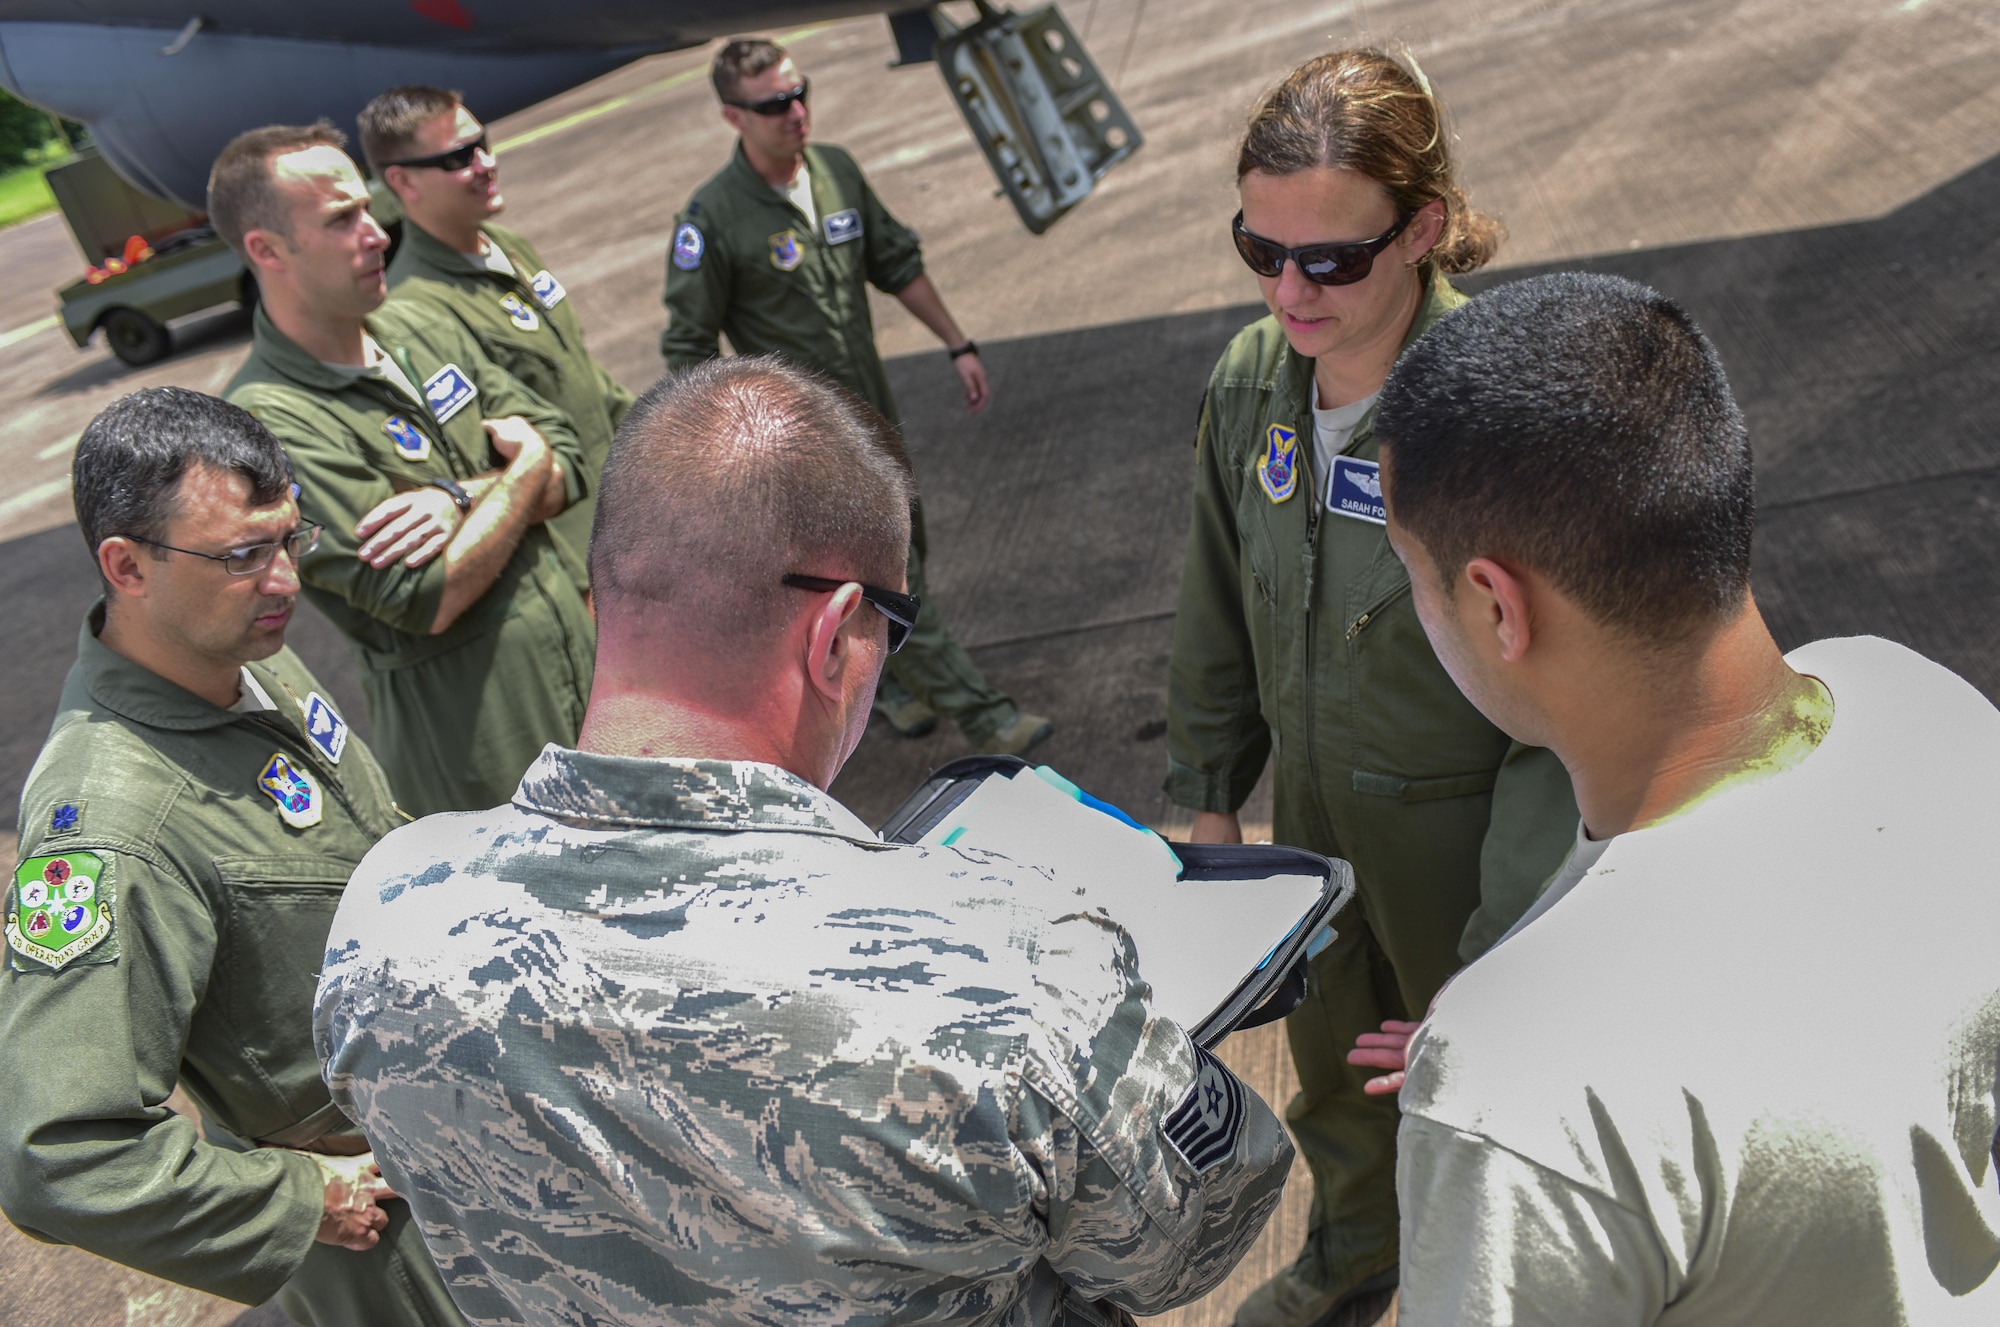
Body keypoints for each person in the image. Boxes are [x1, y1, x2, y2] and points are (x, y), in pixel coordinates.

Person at [315, 356, 1294, 1326]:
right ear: (834, 639)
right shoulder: (1006, 980)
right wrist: (1125, 1018)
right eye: (891, 629)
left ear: (596, 597)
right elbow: (1190, 1239)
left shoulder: (386, 914)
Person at [1361, 271, 2000, 1323]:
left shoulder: (1519, 1090)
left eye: (1410, 576)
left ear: (1492, 603)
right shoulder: (1919, 700)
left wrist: (1507, 1041)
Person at [1164, 51, 1580, 1327]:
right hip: (1318, 828)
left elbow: (1564, 704)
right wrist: (1206, 799)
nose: (1290, 289)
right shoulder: (1252, 384)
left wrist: (1502, 932)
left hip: (1464, 838)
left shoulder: (1500, 412)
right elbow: (1216, 594)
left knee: (1482, 1077)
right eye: (1259, 249)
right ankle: (1353, 1257)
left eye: (1331, 260)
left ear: (1421, 231)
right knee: (1333, 1062)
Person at [0, 388, 465, 1327]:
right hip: (400, 1235)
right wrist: (300, 1201)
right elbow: (54, 1153)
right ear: (126, 566)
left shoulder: (234, 653)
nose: (286, 579)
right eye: (242, 555)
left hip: (467, 1143)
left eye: (289, 538)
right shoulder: (113, 823)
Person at [661, 35, 1053, 756]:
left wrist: (957, 342)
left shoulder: (835, 171)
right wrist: (746, 438)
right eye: (774, 103)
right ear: (732, 116)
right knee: (896, 574)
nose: (796, 111)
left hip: (872, 416)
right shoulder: (713, 218)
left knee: (910, 541)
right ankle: (986, 715)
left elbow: (893, 260)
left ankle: (895, 689)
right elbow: (687, 347)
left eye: (800, 91)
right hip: (810, 443)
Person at [213, 121, 596, 816]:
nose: (379, 233)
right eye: (341, 219)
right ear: (267, 250)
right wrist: (521, 469)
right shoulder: (271, 421)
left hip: (592, 686)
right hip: (488, 756)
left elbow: (567, 457)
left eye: (367, 207)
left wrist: (458, 495)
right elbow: (427, 592)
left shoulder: (420, 327)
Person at [360, 84, 634, 586]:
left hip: (632, 522)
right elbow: (491, 461)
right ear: (403, 181)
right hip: (579, 564)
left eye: (482, 143)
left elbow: (586, 383)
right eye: (460, 156)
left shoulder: (507, 246)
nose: (486, 162)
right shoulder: (416, 310)